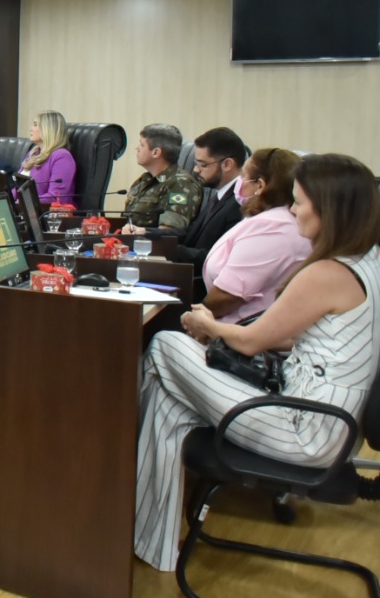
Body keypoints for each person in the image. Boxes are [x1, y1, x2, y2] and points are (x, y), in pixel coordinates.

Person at [134, 153, 380, 573]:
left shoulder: (328, 273)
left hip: (305, 430)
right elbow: (289, 335)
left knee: (163, 346)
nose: (293, 210)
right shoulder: (367, 260)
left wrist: (208, 323)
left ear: (329, 209)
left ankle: (130, 519)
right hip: (329, 421)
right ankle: (150, 539)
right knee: (170, 397)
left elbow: (250, 341)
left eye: (300, 203)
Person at [197, 148, 311, 324]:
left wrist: (197, 319)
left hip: (237, 333)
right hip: (235, 326)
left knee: (161, 340)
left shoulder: (273, 227)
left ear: (260, 185)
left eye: (244, 176)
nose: (239, 182)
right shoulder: (269, 218)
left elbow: (228, 295)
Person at [171, 127, 246, 301]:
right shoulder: (219, 196)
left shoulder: (239, 203)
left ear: (227, 164)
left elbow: (217, 260)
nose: (196, 170)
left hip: (202, 292)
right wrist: (149, 237)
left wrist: (166, 250)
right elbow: (189, 234)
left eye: (203, 165)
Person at [123, 124, 202, 232]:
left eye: (141, 145)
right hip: (131, 243)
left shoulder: (180, 184)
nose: (136, 148)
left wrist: (143, 232)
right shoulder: (145, 179)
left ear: (156, 152)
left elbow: (169, 232)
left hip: (152, 247)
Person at [17, 110, 74, 205]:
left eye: (35, 125)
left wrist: (22, 203)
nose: (31, 129)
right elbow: (17, 187)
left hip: (46, 215)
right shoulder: (33, 153)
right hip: (24, 210)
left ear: (47, 129)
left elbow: (55, 197)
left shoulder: (62, 157)